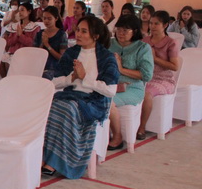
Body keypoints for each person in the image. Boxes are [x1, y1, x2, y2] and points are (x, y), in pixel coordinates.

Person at [41, 16, 119, 178]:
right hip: (69, 96)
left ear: (95, 36)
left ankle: (54, 162)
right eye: (77, 30)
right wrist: (72, 78)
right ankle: (44, 157)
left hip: (93, 101)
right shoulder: (72, 53)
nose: (78, 34)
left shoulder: (106, 57)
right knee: (49, 106)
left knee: (67, 108)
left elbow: (110, 90)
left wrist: (85, 78)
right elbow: (54, 82)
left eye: (84, 31)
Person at [107, 15, 153, 150]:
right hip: (110, 84)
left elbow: (146, 75)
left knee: (107, 101)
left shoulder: (142, 48)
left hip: (132, 88)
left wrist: (121, 69)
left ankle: (117, 136)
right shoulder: (110, 44)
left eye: (125, 30)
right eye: (119, 29)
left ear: (135, 31)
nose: (120, 33)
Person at [138, 10, 181, 139]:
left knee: (146, 93)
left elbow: (175, 66)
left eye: (156, 23)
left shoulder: (171, 42)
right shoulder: (145, 40)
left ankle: (142, 127)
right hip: (145, 75)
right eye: (151, 23)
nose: (152, 26)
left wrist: (155, 58)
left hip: (164, 79)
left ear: (165, 25)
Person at [34, 6, 68, 79]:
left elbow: (62, 58)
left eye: (49, 19)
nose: (46, 21)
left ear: (56, 18)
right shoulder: (40, 33)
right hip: (40, 65)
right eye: (44, 18)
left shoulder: (61, 35)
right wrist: (42, 43)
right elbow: (35, 53)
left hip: (54, 68)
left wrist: (47, 45)